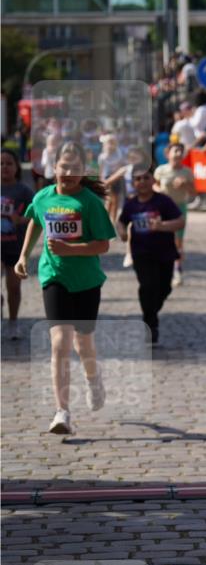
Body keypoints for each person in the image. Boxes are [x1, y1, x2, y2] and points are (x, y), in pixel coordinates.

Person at [14, 140, 115, 435]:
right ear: (53, 167)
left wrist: (71, 250)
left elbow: (104, 244)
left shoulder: (90, 203)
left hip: (86, 281)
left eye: (75, 168)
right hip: (53, 276)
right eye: (63, 167)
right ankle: (63, 412)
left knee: (83, 344)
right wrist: (23, 256)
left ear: (84, 171)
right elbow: (35, 219)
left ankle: (93, 379)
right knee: (59, 343)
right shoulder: (44, 196)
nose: (68, 173)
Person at [117, 163, 185, 346]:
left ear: (153, 180)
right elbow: (121, 222)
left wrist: (162, 226)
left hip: (165, 253)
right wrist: (122, 232)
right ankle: (150, 325)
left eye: (146, 177)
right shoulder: (131, 204)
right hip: (141, 253)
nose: (142, 182)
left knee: (164, 288)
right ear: (133, 183)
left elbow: (180, 222)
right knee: (148, 286)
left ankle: (150, 314)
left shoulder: (163, 201)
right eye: (138, 179)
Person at [1, 148, 33, 339]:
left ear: (16, 167)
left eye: (9, 163)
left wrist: (20, 220)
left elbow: (36, 217)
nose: (4, 167)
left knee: (13, 287)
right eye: (1, 163)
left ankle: (13, 321)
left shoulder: (23, 191)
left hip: (15, 247)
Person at [153, 141, 196, 286]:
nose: (178, 153)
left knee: (178, 241)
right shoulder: (160, 170)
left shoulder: (187, 172)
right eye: (175, 150)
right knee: (162, 238)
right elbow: (154, 185)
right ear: (168, 154)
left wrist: (186, 184)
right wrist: (158, 191)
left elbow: (194, 193)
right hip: (163, 208)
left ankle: (177, 270)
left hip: (179, 208)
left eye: (180, 151)